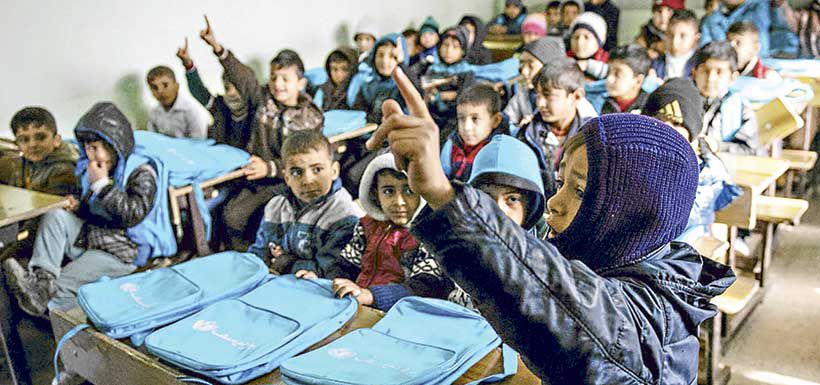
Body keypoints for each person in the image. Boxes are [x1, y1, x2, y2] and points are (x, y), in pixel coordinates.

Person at [366, 67, 735, 383]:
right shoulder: (623, 262)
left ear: (631, 211)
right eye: (560, 184)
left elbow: (552, 296)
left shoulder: (640, 320)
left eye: (579, 190)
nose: (553, 205)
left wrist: (443, 194)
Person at [4, 102, 158, 316]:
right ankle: (42, 279)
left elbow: (133, 214)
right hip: (91, 236)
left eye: (95, 147)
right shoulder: (92, 168)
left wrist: (102, 185)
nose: (90, 153)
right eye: (87, 147)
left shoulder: (141, 172)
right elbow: (93, 212)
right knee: (55, 214)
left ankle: (66, 322)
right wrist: (78, 206)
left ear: (114, 145)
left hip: (121, 250)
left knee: (61, 289)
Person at [198, 16, 324, 249]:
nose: (278, 84)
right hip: (254, 176)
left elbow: (305, 162)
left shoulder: (311, 118)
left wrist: (270, 167)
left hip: (287, 182)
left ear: (301, 83)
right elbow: (242, 77)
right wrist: (217, 48)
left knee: (239, 216)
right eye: (274, 77)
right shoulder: (263, 99)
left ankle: (260, 258)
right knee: (222, 212)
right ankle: (240, 258)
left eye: (285, 79)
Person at [319, 152, 451, 311]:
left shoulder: (429, 234)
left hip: (399, 314)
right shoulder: (367, 226)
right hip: (358, 305)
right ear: (375, 194)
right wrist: (324, 284)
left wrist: (371, 296)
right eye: (388, 191)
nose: (399, 202)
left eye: (409, 191)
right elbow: (343, 266)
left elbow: (424, 287)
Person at [248, 130, 363, 277]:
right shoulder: (276, 206)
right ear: (286, 177)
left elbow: (332, 270)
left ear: (334, 170)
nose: (308, 180)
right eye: (296, 172)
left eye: (317, 169)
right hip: (278, 283)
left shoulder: (344, 215)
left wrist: (286, 263)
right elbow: (259, 252)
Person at [642, 78, 742, 244]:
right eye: (659, 121)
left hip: (682, 246)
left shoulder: (705, 171)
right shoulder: (639, 158)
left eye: (676, 123)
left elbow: (683, 217)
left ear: (693, 133)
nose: (667, 129)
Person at [175, 38, 253, 149]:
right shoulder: (220, 107)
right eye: (227, 88)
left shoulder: (258, 109)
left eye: (236, 87)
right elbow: (198, 91)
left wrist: (218, 48)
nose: (231, 93)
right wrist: (188, 64)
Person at [694, 41, 760, 154]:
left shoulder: (740, 107)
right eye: (705, 71)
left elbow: (749, 149)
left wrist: (718, 146)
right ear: (694, 73)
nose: (711, 78)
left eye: (719, 72)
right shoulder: (684, 100)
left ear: (733, 77)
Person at [0, 107, 78, 198]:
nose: (32, 144)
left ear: (57, 140)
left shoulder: (64, 169)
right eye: (24, 139)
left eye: (40, 137)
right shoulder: (24, 161)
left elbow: (44, 207)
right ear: (17, 144)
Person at [440, 84, 512, 182]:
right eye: (461, 118)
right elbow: (442, 176)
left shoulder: (501, 153)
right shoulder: (452, 145)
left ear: (495, 120)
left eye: (475, 119)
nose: (467, 127)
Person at [145, 65, 209, 139]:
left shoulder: (190, 111)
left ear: (177, 86)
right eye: (155, 88)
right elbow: (153, 139)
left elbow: (198, 141)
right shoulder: (154, 113)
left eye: (165, 85)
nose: (160, 91)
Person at [700, 0, 772, 57]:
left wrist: (714, 14)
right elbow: (706, 48)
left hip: (755, 66)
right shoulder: (716, 13)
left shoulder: (757, 7)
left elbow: (726, 45)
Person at [651, 9, 701, 80]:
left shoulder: (701, 64)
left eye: (682, 36)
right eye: (670, 35)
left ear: (696, 39)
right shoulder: (655, 64)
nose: (675, 42)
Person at [601, 45, 652, 114]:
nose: (609, 79)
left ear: (638, 81)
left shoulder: (650, 107)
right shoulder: (606, 103)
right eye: (608, 72)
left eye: (617, 74)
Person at [568, 12, 610, 80]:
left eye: (586, 37)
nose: (579, 42)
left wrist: (588, 65)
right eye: (576, 37)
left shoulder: (610, 62)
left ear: (598, 42)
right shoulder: (564, 61)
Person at [314, 47, 359, 111]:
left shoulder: (359, 91)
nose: (339, 75)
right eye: (335, 69)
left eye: (345, 69)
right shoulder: (323, 90)